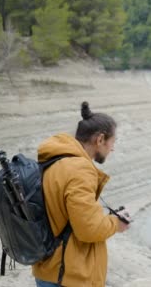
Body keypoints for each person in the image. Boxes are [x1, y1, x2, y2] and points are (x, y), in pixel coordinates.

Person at [33, 101, 129, 287]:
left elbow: (69, 216)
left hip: (47, 267)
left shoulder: (55, 160)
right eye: (112, 142)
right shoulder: (80, 170)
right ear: (100, 140)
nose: (113, 148)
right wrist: (116, 223)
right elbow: (89, 229)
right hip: (68, 275)